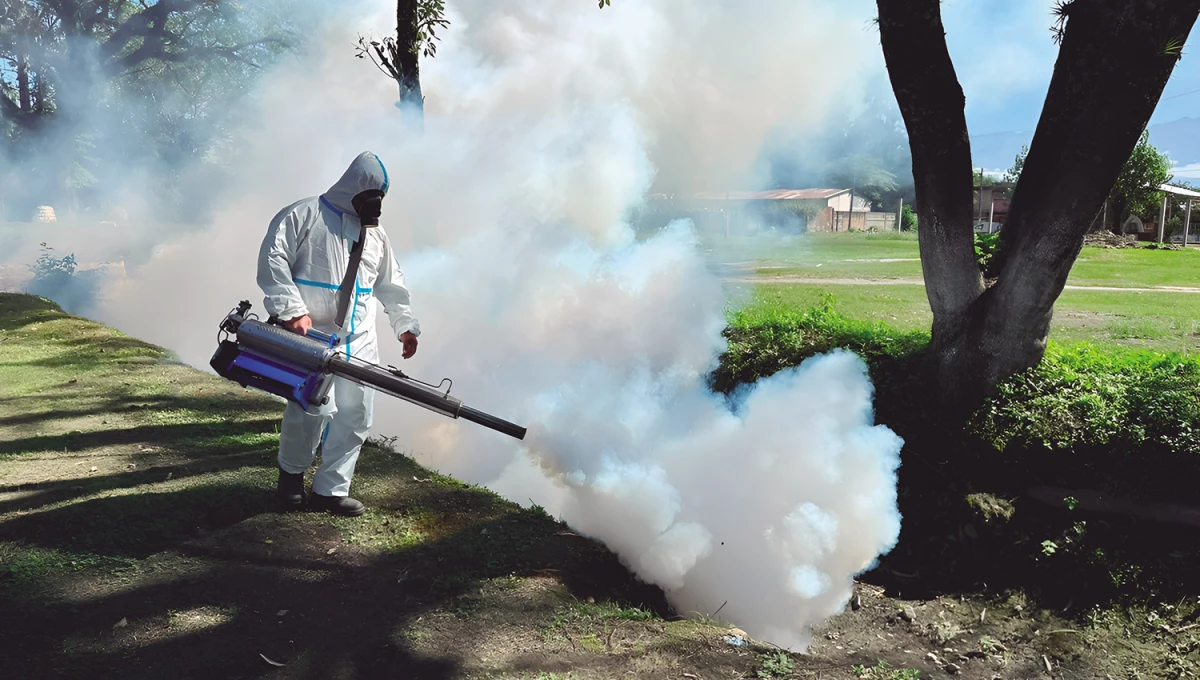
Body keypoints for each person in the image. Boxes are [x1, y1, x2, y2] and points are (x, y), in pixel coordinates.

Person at [257, 151, 420, 517]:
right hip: (311, 334)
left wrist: (405, 325)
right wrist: (291, 310)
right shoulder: (304, 214)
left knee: (356, 412)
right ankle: (290, 480)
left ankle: (331, 489)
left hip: (360, 338)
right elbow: (273, 259)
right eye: (370, 196)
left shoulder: (376, 235)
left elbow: (390, 283)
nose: (374, 206)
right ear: (353, 187)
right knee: (309, 409)